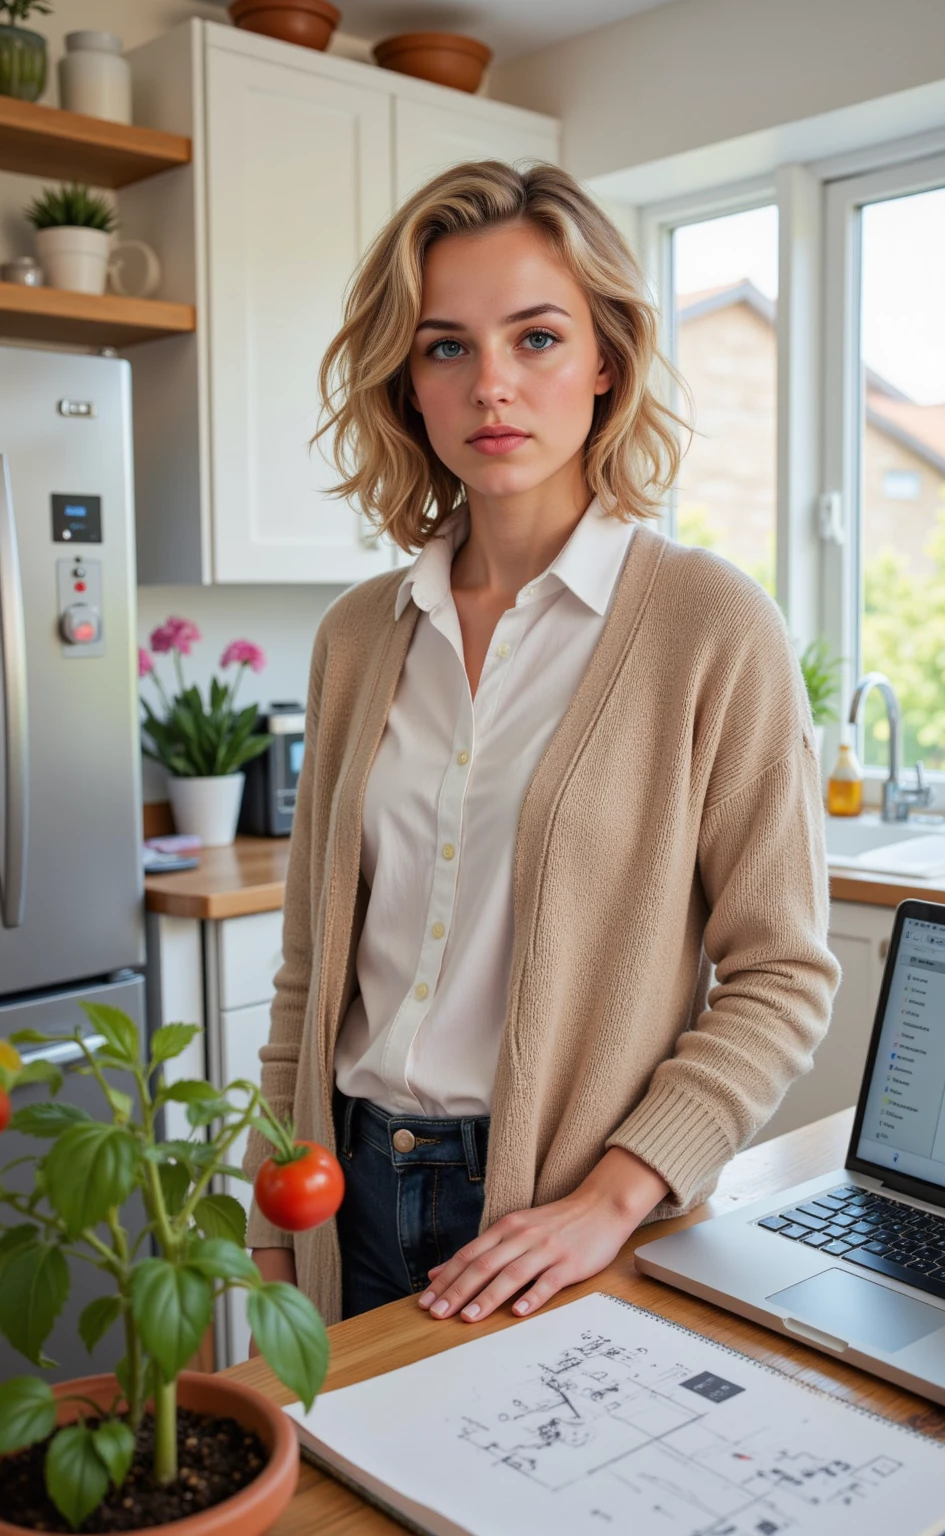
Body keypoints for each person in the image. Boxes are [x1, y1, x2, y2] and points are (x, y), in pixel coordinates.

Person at [242, 159, 841, 1334]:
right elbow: (309, 971)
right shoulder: (358, 637)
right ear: (407, 382)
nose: (491, 387)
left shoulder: (711, 625)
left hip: (560, 1221)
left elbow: (782, 974)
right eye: (446, 346)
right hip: (342, 1188)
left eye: (537, 338)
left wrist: (614, 1198)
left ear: (606, 361)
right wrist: (275, 1220)